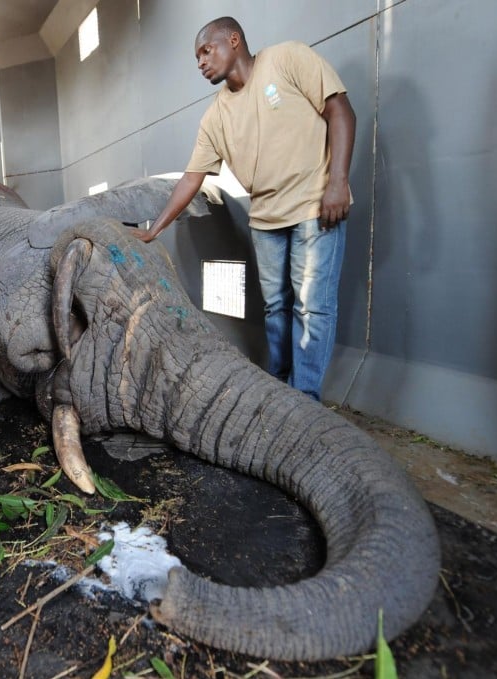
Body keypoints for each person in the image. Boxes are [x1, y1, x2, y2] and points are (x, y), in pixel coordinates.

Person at [132, 17, 356, 401]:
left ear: (233, 40)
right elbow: (191, 178)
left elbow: (340, 111)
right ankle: (279, 388)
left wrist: (338, 182)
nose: (200, 62)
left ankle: (305, 401)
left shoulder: (288, 59)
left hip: (314, 208)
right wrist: (155, 229)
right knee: (276, 308)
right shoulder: (215, 117)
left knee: (311, 308)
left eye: (206, 50)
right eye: (196, 57)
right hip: (266, 220)